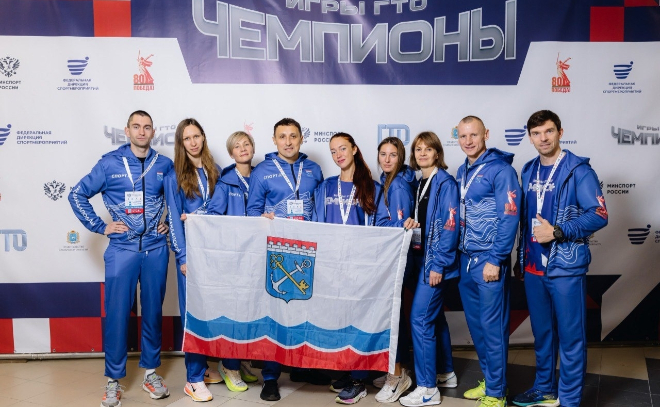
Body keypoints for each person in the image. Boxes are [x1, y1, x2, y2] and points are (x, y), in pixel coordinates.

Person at [68, 110, 173, 407]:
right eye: (136, 127)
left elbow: (177, 200)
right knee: (116, 315)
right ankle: (113, 380)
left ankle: (151, 373)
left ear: (153, 132)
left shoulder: (164, 164)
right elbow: (77, 195)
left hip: (155, 249)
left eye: (147, 127)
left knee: (152, 312)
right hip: (122, 250)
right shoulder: (109, 163)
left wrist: (167, 223)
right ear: (127, 131)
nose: (141, 132)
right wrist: (100, 226)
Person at [511, 110, 608, 407]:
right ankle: (544, 388)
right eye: (536, 133)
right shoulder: (528, 170)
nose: (543, 138)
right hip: (533, 268)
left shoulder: (578, 170)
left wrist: (558, 231)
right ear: (530, 137)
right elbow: (525, 217)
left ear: (560, 132)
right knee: (542, 334)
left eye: (549, 131)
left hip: (565, 267)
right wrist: (520, 257)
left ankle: (569, 400)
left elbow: (599, 215)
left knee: (571, 337)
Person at [164, 119, 248, 402]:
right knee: (194, 316)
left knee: (221, 311)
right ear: (181, 143)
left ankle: (220, 366)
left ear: (203, 138)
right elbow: (174, 219)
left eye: (197, 136)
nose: (193, 142)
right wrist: (183, 257)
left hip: (218, 255)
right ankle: (194, 378)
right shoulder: (174, 176)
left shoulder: (217, 171)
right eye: (187, 138)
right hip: (193, 255)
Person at [245, 117, 327, 401]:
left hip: (307, 251)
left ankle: (302, 367)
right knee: (275, 314)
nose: (288, 142)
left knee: (306, 309)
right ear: (274, 140)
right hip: (277, 252)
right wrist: (263, 219)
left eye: (293, 136)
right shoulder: (262, 171)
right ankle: (270, 377)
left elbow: (320, 208)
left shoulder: (314, 169)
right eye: (282, 136)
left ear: (301, 139)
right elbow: (252, 211)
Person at [312, 133, 389, 404]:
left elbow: (381, 227)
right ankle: (345, 372)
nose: (338, 155)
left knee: (359, 320)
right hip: (333, 265)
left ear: (354, 149)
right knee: (338, 320)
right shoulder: (325, 188)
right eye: (333, 151)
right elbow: (315, 224)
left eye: (343, 149)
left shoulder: (372, 187)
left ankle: (359, 380)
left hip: (360, 266)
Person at [455, 116, 521, 407]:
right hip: (466, 259)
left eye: (474, 135)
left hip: (489, 260)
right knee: (478, 328)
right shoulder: (463, 170)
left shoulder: (501, 170)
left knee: (493, 329)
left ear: (486, 135)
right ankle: (490, 381)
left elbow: (509, 217)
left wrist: (496, 259)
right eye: (463, 136)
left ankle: (497, 393)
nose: (468, 141)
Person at [398, 132, 460, 407]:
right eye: (418, 149)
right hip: (422, 258)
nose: (422, 153)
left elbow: (450, 226)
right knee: (435, 319)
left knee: (420, 320)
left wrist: (439, 264)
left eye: (428, 149)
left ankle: (427, 388)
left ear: (437, 153)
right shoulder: (420, 181)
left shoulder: (445, 182)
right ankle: (446, 372)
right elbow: (428, 220)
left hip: (434, 263)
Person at [371, 137, 418, 402]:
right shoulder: (389, 181)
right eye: (383, 154)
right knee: (395, 315)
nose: (387, 159)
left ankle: (397, 376)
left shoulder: (397, 185)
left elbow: (402, 226)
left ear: (400, 157)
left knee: (393, 317)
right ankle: (397, 369)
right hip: (395, 257)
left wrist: (377, 226)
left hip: (400, 258)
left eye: (393, 155)